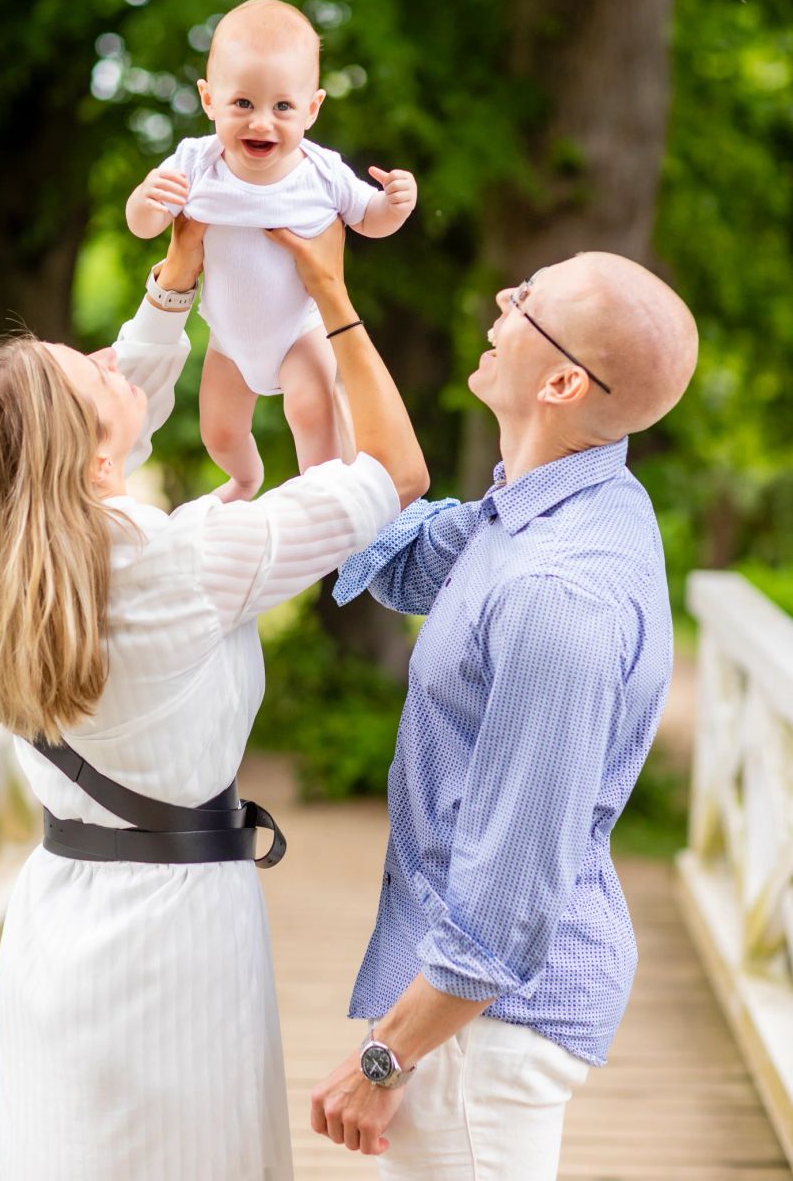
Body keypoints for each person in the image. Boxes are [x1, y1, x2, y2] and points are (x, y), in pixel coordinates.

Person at [0, 212, 428, 1181]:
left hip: (59, 922)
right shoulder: (189, 559)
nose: (123, 362)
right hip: (178, 939)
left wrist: (177, 280)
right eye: (101, 370)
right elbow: (396, 473)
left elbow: (80, 425)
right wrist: (331, 300)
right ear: (96, 464)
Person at [310, 252, 699, 1180]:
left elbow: (514, 887)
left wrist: (386, 1057)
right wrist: (321, 311)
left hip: (478, 1034)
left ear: (563, 381)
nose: (501, 298)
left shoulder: (557, 595)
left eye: (528, 301)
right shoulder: (543, 507)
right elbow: (391, 552)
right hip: (462, 1022)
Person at [125, 0, 417, 501]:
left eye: (282, 107)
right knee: (219, 431)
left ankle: (320, 494)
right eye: (243, 104)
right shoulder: (196, 162)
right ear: (209, 99)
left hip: (299, 335)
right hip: (227, 342)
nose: (262, 123)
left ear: (312, 108)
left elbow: (369, 220)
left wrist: (395, 205)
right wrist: (147, 200)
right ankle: (245, 479)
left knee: (310, 411)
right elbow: (145, 225)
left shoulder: (322, 171)